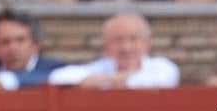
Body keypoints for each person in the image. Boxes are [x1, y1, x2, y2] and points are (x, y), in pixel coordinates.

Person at [49, 12, 182, 88]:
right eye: (118, 40)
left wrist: (97, 82)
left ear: (147, 43)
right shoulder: (102, 67)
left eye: (133, 39)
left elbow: (156, 82)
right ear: (106, 45)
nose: (126, 48)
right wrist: (115, 78)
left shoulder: (161, 66)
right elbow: (57, 78)